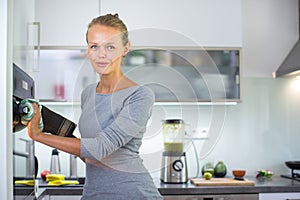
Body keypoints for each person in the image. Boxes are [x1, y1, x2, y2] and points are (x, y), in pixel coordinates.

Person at [27, 13, 163, 200]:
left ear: (126, 48)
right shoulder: (88, 93)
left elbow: (99, 148)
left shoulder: (140, 95)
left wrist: (38, 136)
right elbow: (90, 156)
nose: (102, 54)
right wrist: (55, 127)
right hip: (94, 194)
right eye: (94, 46)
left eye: (110, 47)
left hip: (133, 193)